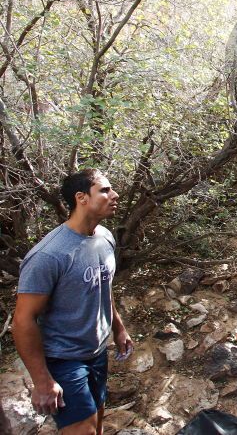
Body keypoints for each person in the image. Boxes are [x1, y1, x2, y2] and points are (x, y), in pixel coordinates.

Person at [12, 169, 133, 434]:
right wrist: (42, 381)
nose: (114, 195)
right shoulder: (49, 254)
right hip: (63, 358)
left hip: (97, 352)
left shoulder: (105, 237)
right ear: (81, 198)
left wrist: (118, 328)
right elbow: (22, 320)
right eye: (104, 190)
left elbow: (103, 287)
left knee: (97, 426)